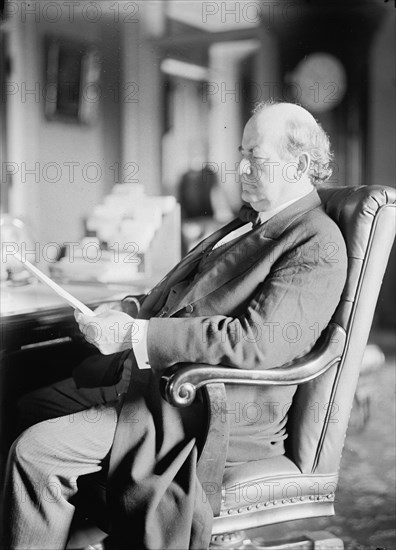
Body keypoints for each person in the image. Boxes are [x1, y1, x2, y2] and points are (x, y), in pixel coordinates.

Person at [2, 101, 348, 550]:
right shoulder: (245, 223)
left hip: (204, 409)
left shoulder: (316, 241)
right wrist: (125, 311)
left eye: (255, 157)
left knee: (35, 452)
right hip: (153, 381)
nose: (239, 167)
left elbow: (255, 344)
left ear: (299, 164)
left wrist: (135, 335)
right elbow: (177, 296)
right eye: (240, 152)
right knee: (24, 402)